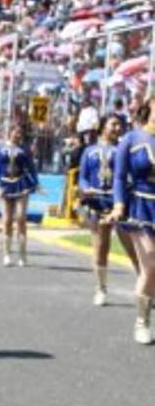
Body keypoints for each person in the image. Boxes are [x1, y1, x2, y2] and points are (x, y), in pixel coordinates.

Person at [78, 115, 138, 305]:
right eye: (113, 124)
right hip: (97, 203)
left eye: (120, 125)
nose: (118, 128)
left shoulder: (124, 150)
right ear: (103, 127)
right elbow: (82, 176)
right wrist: (85, 188)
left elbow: (131, 176)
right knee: (101, 247)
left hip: (120, 203)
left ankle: (146, 285)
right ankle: (101, 288)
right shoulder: (89, 151)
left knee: (133, 247)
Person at [110, 96, 155, 344]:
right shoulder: (131, 138)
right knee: (151, 263)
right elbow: (119, 176)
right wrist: (119, 204)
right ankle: (142, 321)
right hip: (142, 206)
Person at [0, 124, 38, 266]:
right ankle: (6, 253)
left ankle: (22, 254)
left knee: (21, 217)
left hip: (21, 184)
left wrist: (35, 183)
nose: (18, 135)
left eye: (20, 133)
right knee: (7, 219)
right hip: (6, 184)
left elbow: (31, 167)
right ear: (10, 132)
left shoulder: (25, 150)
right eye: (16, 132)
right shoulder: (0, 149)